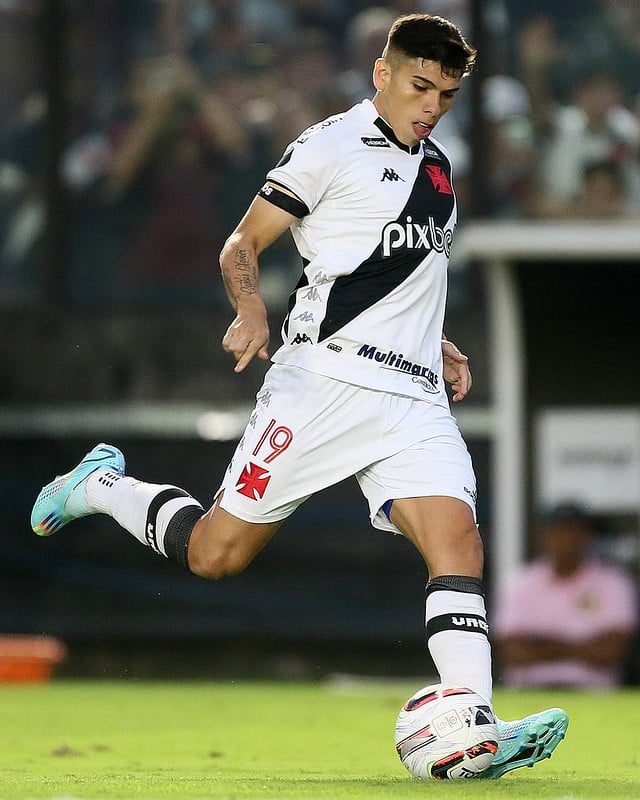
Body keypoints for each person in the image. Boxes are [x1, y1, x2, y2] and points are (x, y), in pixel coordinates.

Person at [31, 14, 568, 778]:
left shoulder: (441, 168)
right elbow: (241, 243)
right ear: (381, 74)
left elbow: (404, 274)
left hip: (410, 399)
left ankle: (475, 722)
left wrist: (436, 339)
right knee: (217, 554)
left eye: (446, 94)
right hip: (323, 384)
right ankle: (102, 486)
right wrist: (251, 307)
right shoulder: (329, 146)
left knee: (458, 546)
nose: (432, 105)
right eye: (420, 86)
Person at [493, 503, 639, 689]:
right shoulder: (520, 583)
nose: (566, 538)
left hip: (593, 693)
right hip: (529, 692)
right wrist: (580, 646)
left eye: (573, 531)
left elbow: (612, 652)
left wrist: (544, 644)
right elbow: (509, 651)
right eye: (559, 531)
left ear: (587, 536)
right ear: (544, 536)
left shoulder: (614, 582)